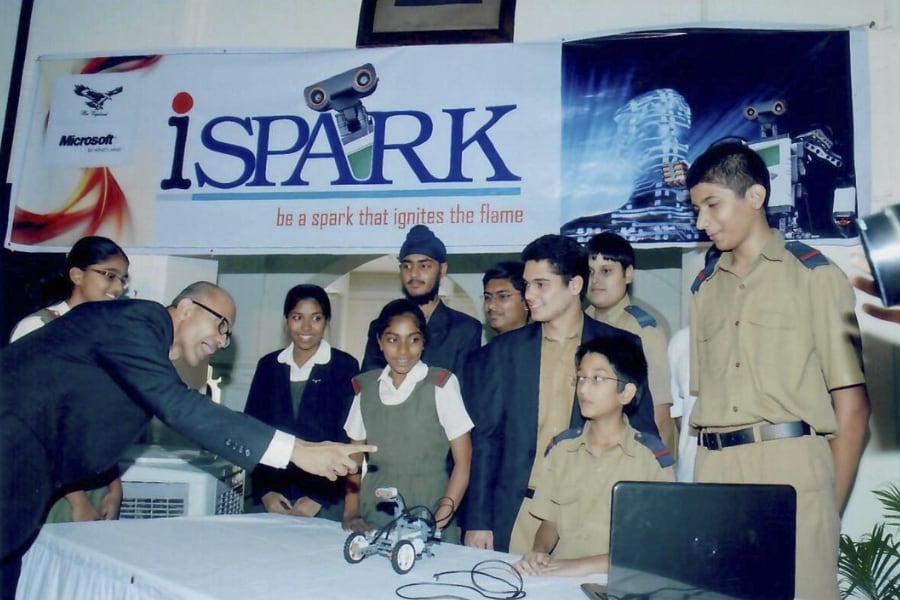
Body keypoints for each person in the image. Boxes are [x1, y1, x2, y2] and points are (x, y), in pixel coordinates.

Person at [0, 281, 374, 597]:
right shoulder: (137, 320)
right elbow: (182, 407)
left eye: (228, 334)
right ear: (184, 308)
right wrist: (299, 451)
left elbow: (180, 406)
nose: (222, 342)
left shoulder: (146, 359)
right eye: (221, 326)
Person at [687, 141, 870, 600]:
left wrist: (827, 503)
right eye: (696, 209)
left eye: (712, 205)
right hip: (714, 471)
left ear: (754, 197)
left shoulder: (814, 275)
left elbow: (853, 409)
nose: (701, 222)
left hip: (789, 468)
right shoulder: (704, 289)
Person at [462, 234, 664, 554]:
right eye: (527, 285)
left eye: (541, 284)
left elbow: (643, 435)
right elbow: (485, 440)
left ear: (574, 286)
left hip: (586, 516)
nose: (529, 295)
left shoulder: (620, 346)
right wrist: (477, 520)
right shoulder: (502, 352)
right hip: (516, 512)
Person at [515, 336, 674, 577]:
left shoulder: (651, 458)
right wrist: (539, 551)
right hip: (559, 580)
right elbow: (550, 522)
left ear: (626, 393)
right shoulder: (562, 449)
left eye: (598, 379)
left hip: (619, 581)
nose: (584, 389)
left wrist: (576, 567)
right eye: (581, 378)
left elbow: (652, 546)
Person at [9, 236, 130, 525]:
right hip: (53, 487)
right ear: (77, 275)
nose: (117, 287)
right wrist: (77, 500)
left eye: (123, 279)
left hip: (97, 483)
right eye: (109, 276)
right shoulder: (38, 328)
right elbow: (35, 424)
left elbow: (102, 424)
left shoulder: (113, 338)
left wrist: (114, 486)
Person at [343, 299, 473, 543]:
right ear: (380, 342)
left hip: (431, 515)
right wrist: (351, 511)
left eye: (413, 339)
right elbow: (353, 459)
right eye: (393, 340)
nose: (403, 350)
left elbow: (463, 465)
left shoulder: (441, 385)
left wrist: (437, 525)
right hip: (375, 516)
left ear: (423, 342)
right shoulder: (366, 389)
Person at [244, 284, 360, 521]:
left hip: (324, 501)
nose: (306, 327)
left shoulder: (344, 366)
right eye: (298, 317)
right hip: (271, 499)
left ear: (326, 321)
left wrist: (320, 498)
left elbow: (348, 439)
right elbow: (252, 432)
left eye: (315, 318)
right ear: (286, 320)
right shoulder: (268, 366)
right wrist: (266, 492)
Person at [584, 232, 674, 445]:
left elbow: (659, 415)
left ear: (628, 274)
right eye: (589, 272)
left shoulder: (643, 330)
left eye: (606, 271)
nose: (596, 280)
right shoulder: (580, 323)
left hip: (631, 453)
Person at [361, 225, 482, 375]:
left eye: (424, 266)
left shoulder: (464, 329)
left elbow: (464, 391)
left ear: (442, 269)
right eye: (407, 266)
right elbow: (369, 385)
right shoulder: (380, 326)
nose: (414, 274)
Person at [481, 260, 530, 336]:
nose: (491, 306)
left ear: (527, 302)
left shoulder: (544, 346)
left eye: (503, 296)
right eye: (487, 297)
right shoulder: (489, 348)